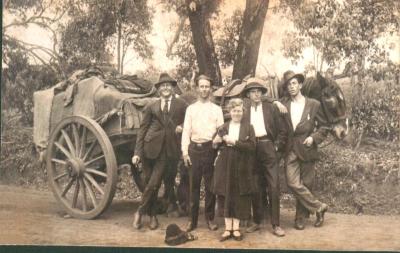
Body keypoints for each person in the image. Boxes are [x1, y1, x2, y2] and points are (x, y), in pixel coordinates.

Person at [132, 73, 187, 230]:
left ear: (172, 87)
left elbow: (189, 121)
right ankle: (153, 216)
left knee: (153, 183)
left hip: (168, 151)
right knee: (151, 183)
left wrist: (182, 127)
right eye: (162, 86)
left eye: (168, 85)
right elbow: (142, 130)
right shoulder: (152, 106)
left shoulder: (181, 105)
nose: (165, 88)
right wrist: (137, 152)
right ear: (159, 89)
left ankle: (139, 212)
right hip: (149, 150)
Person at [281, 70, 329, 230]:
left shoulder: (314, 104)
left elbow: (324, 127)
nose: (292, 87)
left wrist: (314, 138)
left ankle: (300, 218)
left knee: (306, 184)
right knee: (292, 182)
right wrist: (275, 103)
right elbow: (266, 99)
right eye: (288, 85)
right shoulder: (284, 104)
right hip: (291, 149)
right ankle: (319, 207)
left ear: (300, 85)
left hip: (307, 148)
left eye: (294, 83)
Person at [241, 78, 287, 237]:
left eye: (259, 91)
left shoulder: (270, 108)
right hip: (251, 148)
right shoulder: (244, 109)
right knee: (255, 186)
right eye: (253, 91)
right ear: (248, 94)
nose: (256, 94)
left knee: (273, 185)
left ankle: (276, 224)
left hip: (268, 146)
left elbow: (283, 130)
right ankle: (257, 221)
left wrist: (276, 146)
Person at [181, 74, 224, 232]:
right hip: (194, 150)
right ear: (197, 88)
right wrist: (185, 152)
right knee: (193, 186)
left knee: (210, 186)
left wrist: (217, 142)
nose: (204, 89)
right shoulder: (191, 109)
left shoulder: (217, 109)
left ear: (210, 89)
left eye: (207, 86)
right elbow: (186, 131)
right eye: (201, 86)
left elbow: (221, 130)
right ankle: (191, 221)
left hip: (210, 150)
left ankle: (210, 218)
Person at [211, 98, 257, 241]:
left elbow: (252, 146)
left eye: (239, 110)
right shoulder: (224, 127)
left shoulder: (249, 127)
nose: (237, 113)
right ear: (229, 112)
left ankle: (236, 228)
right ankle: (227, 228)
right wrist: (216, 141)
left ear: (243, 111)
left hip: (241, 164)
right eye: (234, 110)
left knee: (238, 194)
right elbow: (214, 144)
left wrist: (235, 142)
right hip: (225, 164)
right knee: (225, 193)